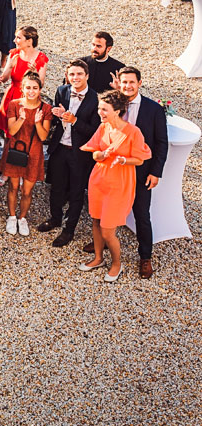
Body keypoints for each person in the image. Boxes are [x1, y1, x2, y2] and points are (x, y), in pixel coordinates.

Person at [79, 89, 152, 282]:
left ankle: (116, 264)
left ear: (117, 110)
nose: (100, 113)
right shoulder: (103, 128)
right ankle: (98, 258)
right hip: (99, 180)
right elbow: (94, 152)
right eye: (99, 108)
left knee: (107, 228)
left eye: (104, 109)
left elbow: (140, 159)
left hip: (119, 184)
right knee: (95, 220)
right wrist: (102, 155)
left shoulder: (133, 132)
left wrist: (122, 160)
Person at [39, 59, 100, 247]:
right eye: (72, 74)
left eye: (79, 74)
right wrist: (58, 115)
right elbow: (59, 121)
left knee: (76, 192)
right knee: (56, 187)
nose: (75, 78)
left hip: (79, 153)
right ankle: (55, 217)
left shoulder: (96, 99)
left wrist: (74, 121)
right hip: (59, 149)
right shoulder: (62, 91)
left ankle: (69, 229)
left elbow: (95, 131)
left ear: (87, 76)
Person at [114, 67, 168, 279]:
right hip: (115, 167)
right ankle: (104, 241)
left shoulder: (153, 110)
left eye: (131, 82)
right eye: (124, 82)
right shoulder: (113, 104)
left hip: (141, 170)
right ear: (119, 83)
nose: (127, 86)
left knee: (141, 215)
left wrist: (155, 172)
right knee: (111, 208)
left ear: (140, 83)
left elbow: (162, 143)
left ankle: (145, 257)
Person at [0, 71, 51, 236]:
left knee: (27, 190)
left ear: (40, 89)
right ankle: (12, 216)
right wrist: (21, 119)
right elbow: (12, 131)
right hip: (16, 149)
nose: (31, 91)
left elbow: (43, 136)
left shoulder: (46, 108)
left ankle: (22, 218)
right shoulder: (14, 104)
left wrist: (37, 121)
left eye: (34, 88)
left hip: (34, 151)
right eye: (28, 87)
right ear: (22, 88)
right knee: (13, 187)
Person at [0, 26, 48, 133]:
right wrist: (8, 68)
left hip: (29, 98)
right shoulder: (14, 54)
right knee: (8, 133)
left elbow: (41, 84)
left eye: (18, 38)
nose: (14, 41)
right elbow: (4, 79)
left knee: (25, 133)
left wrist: (35, 73)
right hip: (12, 96)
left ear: (29, 41)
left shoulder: (41, 58)